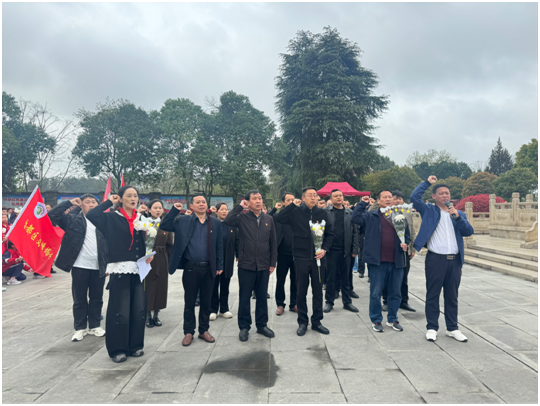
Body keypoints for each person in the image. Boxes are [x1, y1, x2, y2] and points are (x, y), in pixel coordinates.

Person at [86, 186, 154, 363]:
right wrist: (109, 202)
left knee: (138, 308)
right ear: (121, 199)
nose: (133, 199)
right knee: (120, 310)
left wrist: (149, 255)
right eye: (129, 196)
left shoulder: (141, 219)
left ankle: (135, 345)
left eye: (135, 196)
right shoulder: (111, 217)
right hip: (120, 268)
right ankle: (118, 349)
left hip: (139, 269)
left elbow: (147, 241)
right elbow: (92, 215)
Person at [411, 176, 474, 343]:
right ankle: (432, 327)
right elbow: (414, 198)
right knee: (433, 294)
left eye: (447, 193)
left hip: (454, 261)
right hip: (435, 259)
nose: (445, 195)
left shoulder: (458, 213)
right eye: (441, 193)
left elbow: (468, 231)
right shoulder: (429, 210)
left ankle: (452, 328)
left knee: (452, 295)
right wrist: (426, 183)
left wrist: (458, 217)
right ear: (434, 196)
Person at [161, 195, 224, 347]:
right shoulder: (183, 220)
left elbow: (219, 244)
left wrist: (220, 265)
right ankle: (188, 332)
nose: (201, 204)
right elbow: (165, 225)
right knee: (189, 302)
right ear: (192, 206)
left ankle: (204, 330)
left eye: (203, 202)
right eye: (198, 202)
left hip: (209, 267)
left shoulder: (215, 222)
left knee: (206, 301)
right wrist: (174, 210)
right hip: (191, 268)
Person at [49, 194, 108, 342]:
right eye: (87, 202)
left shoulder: (104, 221)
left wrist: (108, 264)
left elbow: (111, 244)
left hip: (98, 266)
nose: (91, 204)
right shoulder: (72, 220)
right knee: (79, 298)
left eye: (94, 202)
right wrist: (69, 203)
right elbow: (53, 214)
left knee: (96, 298)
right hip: (80, 266)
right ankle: (80, 328)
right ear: (81, 205)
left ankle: (95, 325)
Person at [276, 187, 334, 336]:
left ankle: (317, 321)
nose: (314, 197)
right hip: (300, 257)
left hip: (318, 258)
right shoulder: (295, 212)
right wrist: (291, 205)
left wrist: (324, 249)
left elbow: (329, 233)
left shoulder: (323, 213)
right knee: (301, 291)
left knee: (318, 291)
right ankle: (302, 321)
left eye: (315, 195)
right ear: (303, 198)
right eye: (310, 195)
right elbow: (279, 218)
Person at [351, 191, 410, 333]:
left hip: (396, 261)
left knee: (395, 292)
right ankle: (376, 319)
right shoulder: (371, 216)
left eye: (390, 197)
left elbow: (407, 236)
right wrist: (363, 203)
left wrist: (405, 244)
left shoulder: (399, 216)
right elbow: (355, 218)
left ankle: (393, 318)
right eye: (385, 197)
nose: (388, 199)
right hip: (377, 262)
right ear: (378, 200)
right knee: (376, 293)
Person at [224, 190, 277, 342]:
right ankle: (244, 327)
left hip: (263, 264)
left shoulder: (269, 219)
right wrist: (240, 206)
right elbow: (228, 220)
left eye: (260, 198)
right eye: (254, 199)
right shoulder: (241, 217)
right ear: (248, 202)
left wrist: (272, 262)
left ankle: (262, 325)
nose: (258, 201)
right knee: (245, 296)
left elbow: (273, 242)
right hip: (246, 264)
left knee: (262, 296)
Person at [323, 189, 359, 313]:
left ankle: (347, 302)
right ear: (331, 199)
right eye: (335, 196)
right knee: (330, 278)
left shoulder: (350, 213)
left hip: (346, 251)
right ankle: (329, 302)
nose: (339, 197)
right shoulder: (325, 212)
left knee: (346, 278)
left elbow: (355, 232)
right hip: (331, 250)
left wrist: (355, 249)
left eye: (340, 195)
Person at [382, 191, 417, 313]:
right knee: (388, 277)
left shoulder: (407, 213)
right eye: (395, 198)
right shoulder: (385, 213)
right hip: (389, 251)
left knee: (403, 277)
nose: (398, 201)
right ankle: (386, 301)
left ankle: (404, 301)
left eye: (400, 199)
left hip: (404, 251)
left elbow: (412, 231)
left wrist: (412, 248)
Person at [140, 200, 173, 328]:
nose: (158, 210)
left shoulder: (165, 224)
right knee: (148, 286)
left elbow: (170, 244)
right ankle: (148, 315)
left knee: (160, 287)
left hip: (161, 257)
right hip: (147, 258)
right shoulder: (143, 223)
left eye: (160, 208)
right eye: (155, 208)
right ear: (148, 210)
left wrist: (168, 260)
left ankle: (156, 315)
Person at [268, 193, 297, 316]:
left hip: (296, 254)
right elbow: (266, 217)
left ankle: (294, 304)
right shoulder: (277, 216)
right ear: (283, 202)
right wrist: (275, 208)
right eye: (288, 200)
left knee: (296, 280)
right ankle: (280, 304)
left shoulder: (298, 215)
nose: (291, 201)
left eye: (292, 200)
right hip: (282, 254)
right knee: (280, 280)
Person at [210, 202, 238, 320]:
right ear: (216, 211)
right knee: (213, 285)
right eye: (222, 209)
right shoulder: (212, 224)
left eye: (226, 209)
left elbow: (237, 240)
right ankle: (213, 309)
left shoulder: (232, 225)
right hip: (214, 259)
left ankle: (224, 309)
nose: (224, 211)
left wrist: (238, 255)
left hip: (228, 259)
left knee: (225, 285)